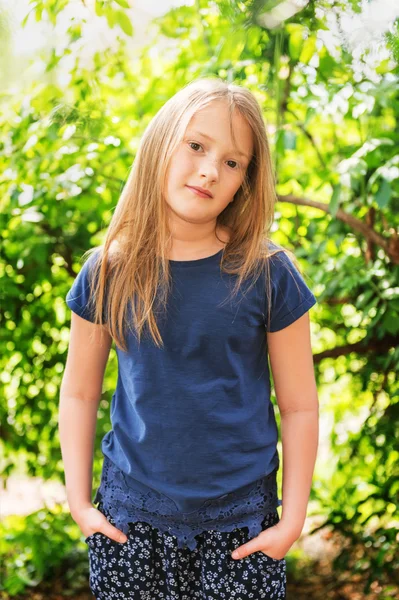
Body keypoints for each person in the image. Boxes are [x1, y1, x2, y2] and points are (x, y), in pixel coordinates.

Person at [59, 77, 319, 600]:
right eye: (196, 145)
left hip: (243, 528)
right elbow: (80, 393)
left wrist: (290, 523)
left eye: (232, 162)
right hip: (131, 524)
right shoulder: (108, 270)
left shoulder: (267, 273)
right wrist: (80, 505)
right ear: (161, 143)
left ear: (246, 180)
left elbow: (299, 407)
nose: (208, 170)